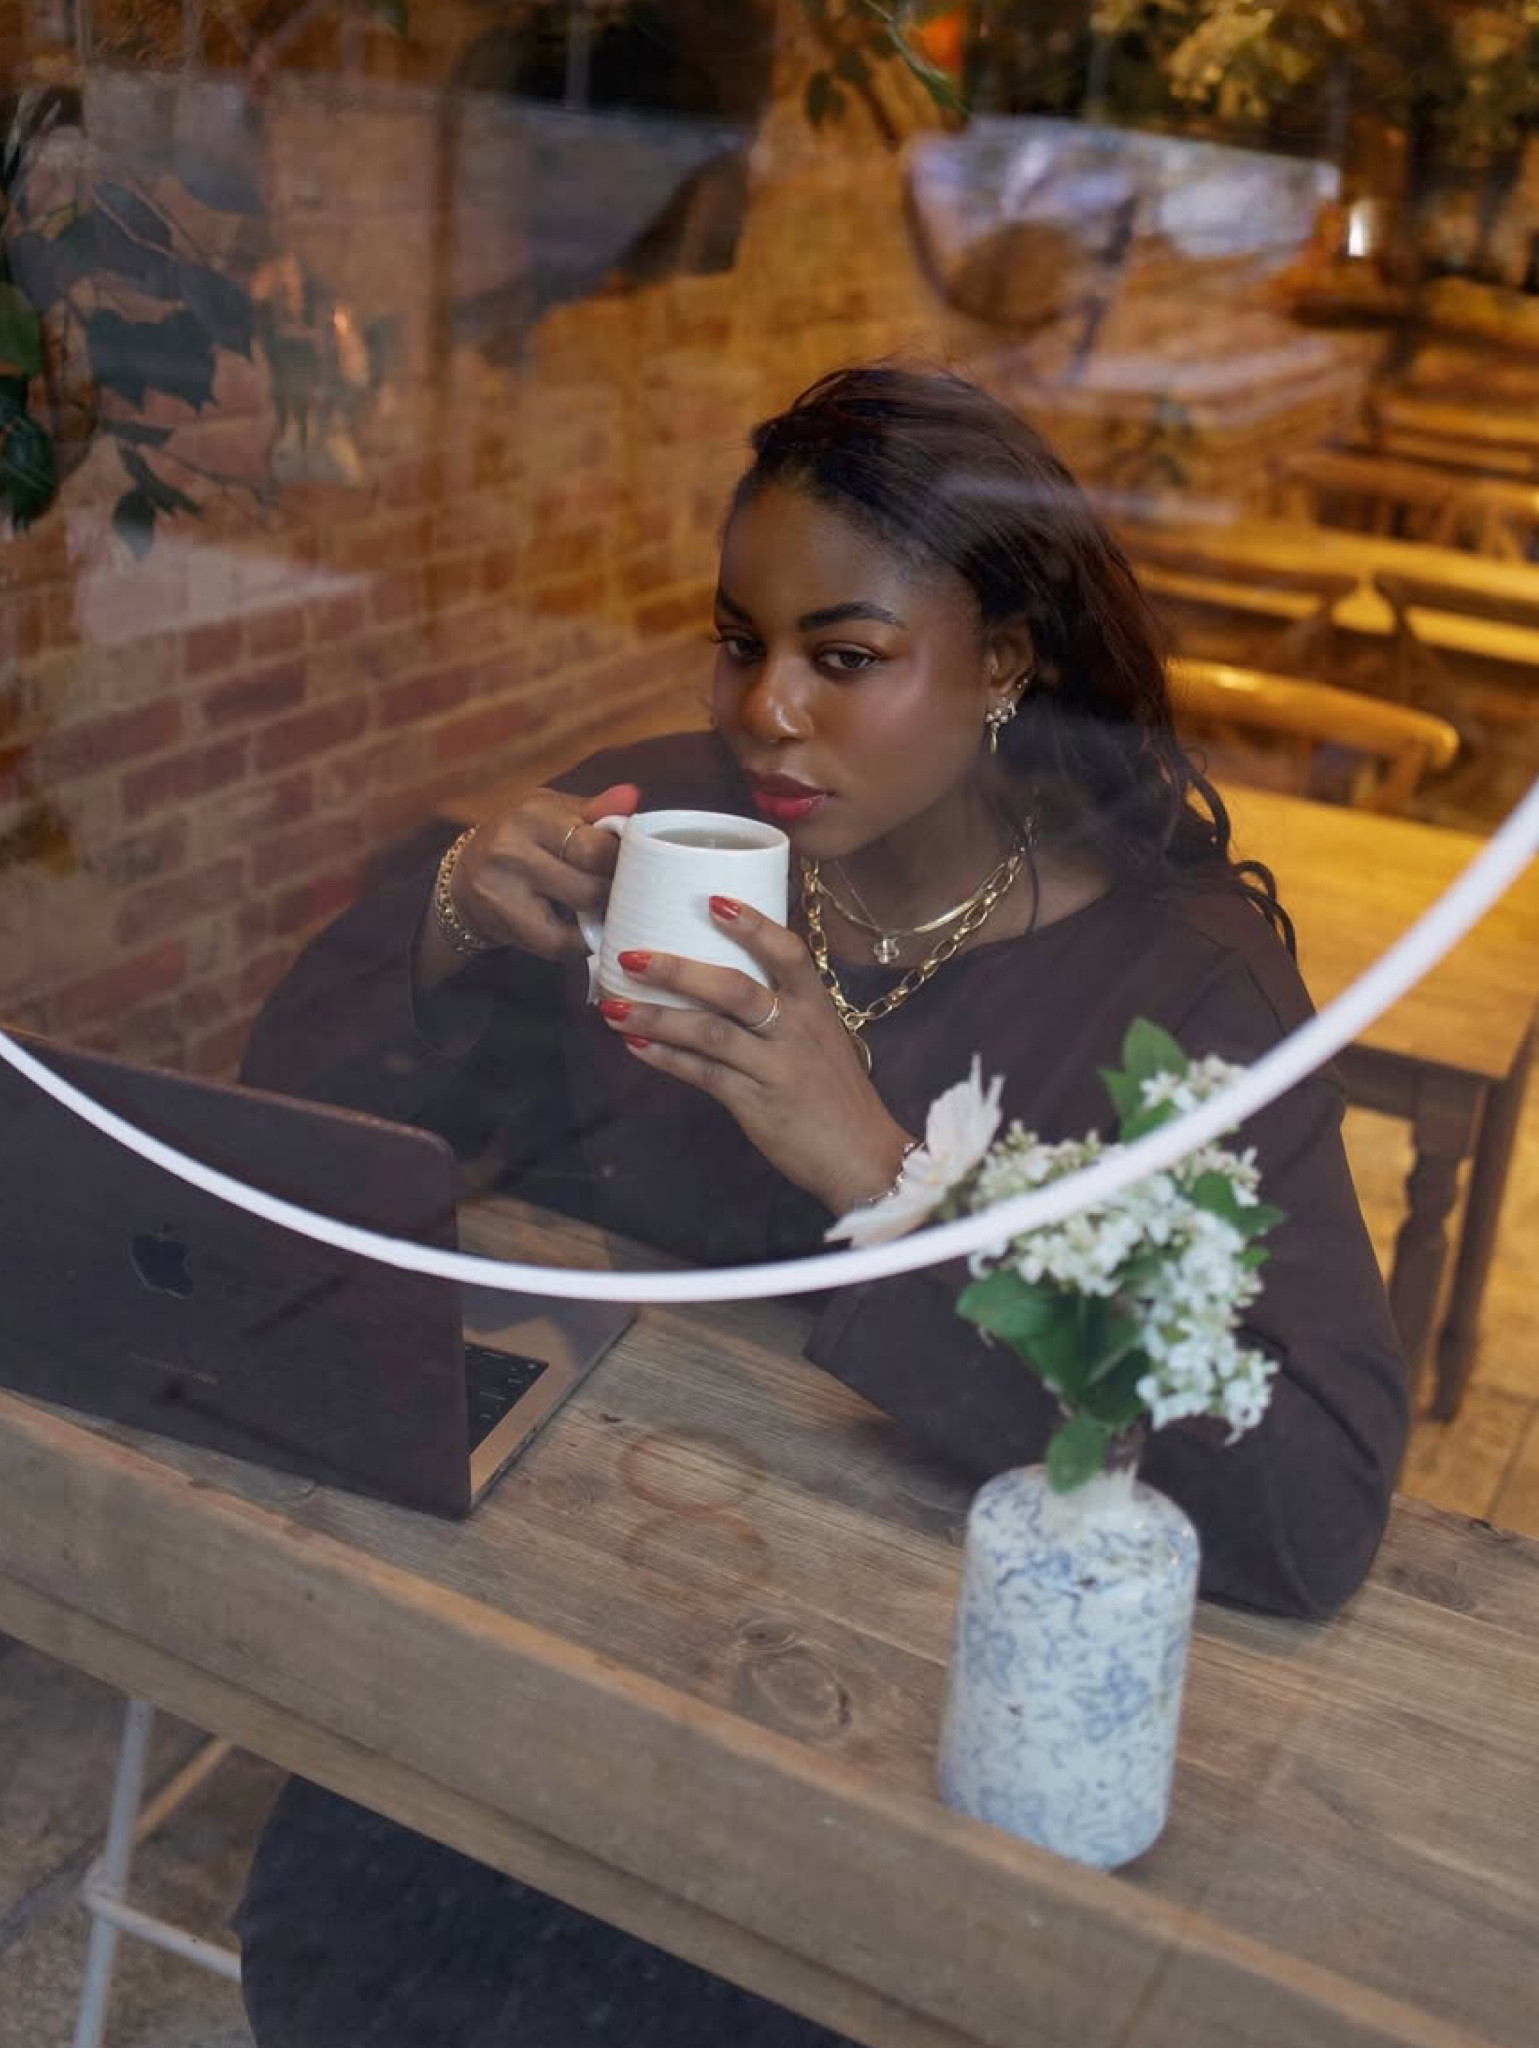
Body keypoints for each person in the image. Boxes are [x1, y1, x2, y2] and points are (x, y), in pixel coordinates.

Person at [235, 364, 1409, 2046]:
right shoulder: (657, 830)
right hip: (560, 1632)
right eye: (740, 642)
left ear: (1007, 664)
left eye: (845, 658)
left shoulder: (1176, 993)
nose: (765, 711)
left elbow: (1310, 1508)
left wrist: (883, 1171)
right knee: (344, 1929)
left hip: (898, 1743)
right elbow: (299, 1156)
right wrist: (444, 915)